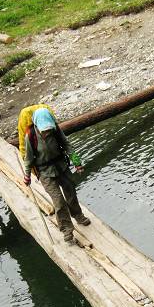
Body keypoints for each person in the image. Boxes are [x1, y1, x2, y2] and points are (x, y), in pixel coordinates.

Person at [18, 104, 91, 244]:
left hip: (61, 167)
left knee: (71, 193)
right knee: (58, 201)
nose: (47, 133)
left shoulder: (55, 130)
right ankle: (67, 230)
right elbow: (28, 158)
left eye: (49, 130)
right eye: (44, 131)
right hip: (45, 172)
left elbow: (67, 145)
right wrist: (27, 176)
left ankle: (78, 215)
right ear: (38, 126)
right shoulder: (31, 135)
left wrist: (77, 162)